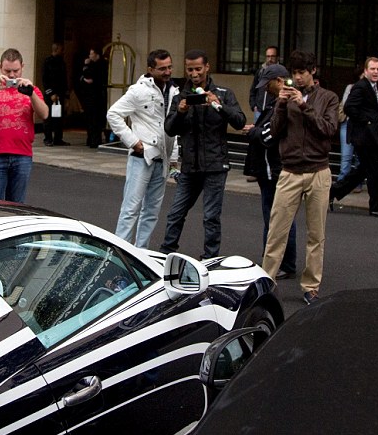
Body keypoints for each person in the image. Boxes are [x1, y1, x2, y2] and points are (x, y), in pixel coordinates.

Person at [260, 51, 341, 304]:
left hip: (318, 171)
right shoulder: (284, 98)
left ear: (312, 72)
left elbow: (328, 129)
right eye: (293, 74)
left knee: (316, 234)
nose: (297, 79)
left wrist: (304, 106)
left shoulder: (328, 97)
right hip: (290, 171)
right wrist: (282, 104)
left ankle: (310, 286)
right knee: (276, 231)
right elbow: (274, 132)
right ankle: (266, 283)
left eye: (301, 73)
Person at [160, 49, 246, 259]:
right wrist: (180, 112)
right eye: (190, 69)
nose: (194, 73)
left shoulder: (223, 93)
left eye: (198, 68)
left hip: (215, 165)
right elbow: (170, 129)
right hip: (189, 166)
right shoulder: (181, 96)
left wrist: (218, 104)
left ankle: (210, 258)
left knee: (211, 216)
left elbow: (239, 121)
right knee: (175, 213)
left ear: (207, 67)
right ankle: (165, 253)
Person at [107, 49, 180, 248]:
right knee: (130, 209)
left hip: (162, 159)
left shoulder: (174, 91)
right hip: (141, 158)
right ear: (150, 69)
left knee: (152, 212)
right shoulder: (138, 91)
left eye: (169, 67)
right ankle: (120, 252)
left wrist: (173, 159)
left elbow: (173, 128)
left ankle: (141, 254)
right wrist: (134, 142)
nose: (167, 72)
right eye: (162, 68)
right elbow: (113, 114)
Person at [0, 48, 48, 202]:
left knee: (17, 206)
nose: (12, 75)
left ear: (22, 67)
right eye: (7, 71)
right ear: (0, 68)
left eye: (16, 71)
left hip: (22, 155)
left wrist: (31, 93)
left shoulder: (31, 90)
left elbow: (44, 114)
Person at [242, 62, 298, 280]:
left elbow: (268, 136)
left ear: (280, 81)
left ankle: (282, 263)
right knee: (275, 217)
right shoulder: (276, 103)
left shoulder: (283, 105)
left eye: (268, 84)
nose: (265, 88)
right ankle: (274, 260)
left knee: (279, 218)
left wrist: (254, 131)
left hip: (274, 169)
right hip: (269, 168)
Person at [329, 56, 378, 218]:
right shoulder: (361, 86)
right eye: (372, 69)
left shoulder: (373, 87)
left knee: (363, 171)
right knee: (375, 173)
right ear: (365, 71)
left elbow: (372, 110)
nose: (376, 72)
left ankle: (331, 193)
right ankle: (377, 207)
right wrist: (367, 121)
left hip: (369, 137)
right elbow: (350, 107)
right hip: (363, 137)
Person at [41, 42, 70, 146]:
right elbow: (45, 79)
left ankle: (58, 138)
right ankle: (48, 138)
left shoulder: (62, 62)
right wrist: (51, 93)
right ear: (56, 49)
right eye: (61, 49)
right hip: (50, 94)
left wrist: (66, 95)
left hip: (60, 93)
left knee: (59, 117)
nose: (62, 52)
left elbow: (64, 79)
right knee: (48, 117)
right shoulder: (47, 62)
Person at [79, 47, 109, 148]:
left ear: (96, 54)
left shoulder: (101, 64)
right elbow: (85, 77)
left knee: (95, 119)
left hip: (96, 96)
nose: (90, 56)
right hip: (90, 95)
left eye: (91, 54)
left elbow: (90, 77)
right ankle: (90, 139)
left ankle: (95, 140)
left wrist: (86, 66)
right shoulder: (92, 64)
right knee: (90, 118)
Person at [248, 46, 279, 119]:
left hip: (273, 112)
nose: (270, 59)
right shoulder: (260, 72)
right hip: (259, 111)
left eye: (272, 56)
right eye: (268, 56)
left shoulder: (282, 72)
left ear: (277, 57)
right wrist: (254, 106)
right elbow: (253, 90)